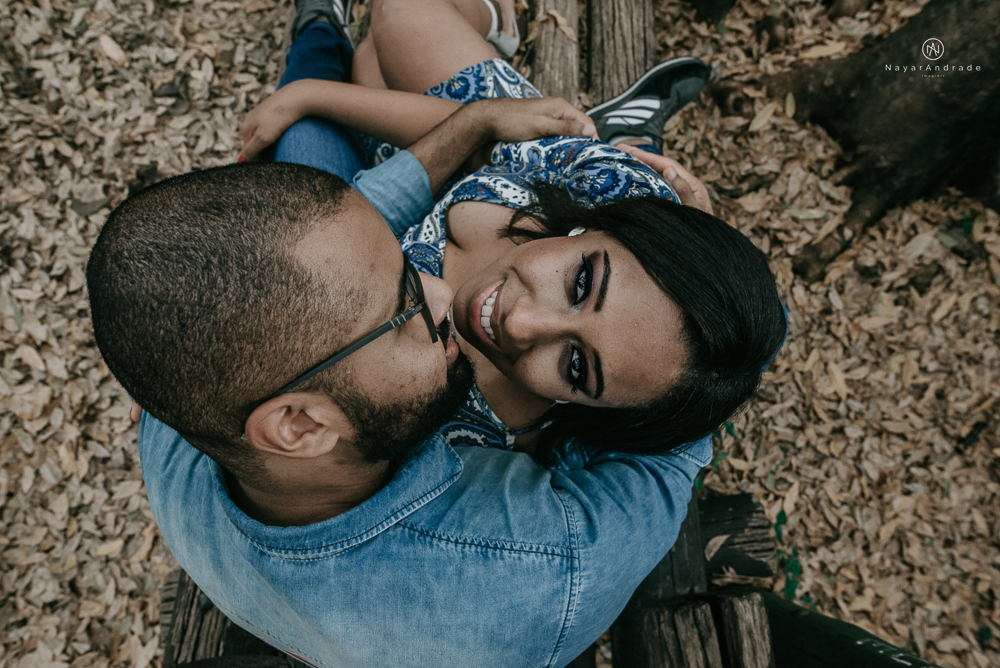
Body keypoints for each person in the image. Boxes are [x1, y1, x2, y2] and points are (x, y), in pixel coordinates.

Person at [85, 5, 716, 667]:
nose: (444, 290)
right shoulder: (534, 576)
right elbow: (681, 427)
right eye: (406, 306)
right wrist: (710, 274)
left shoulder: (186, 406)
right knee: (312, 119)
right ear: (297, 424)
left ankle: (320, 34)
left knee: (314, 125)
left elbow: (347, 236)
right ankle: (319, 30)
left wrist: (474, 123)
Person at [239, 0, 787, 458]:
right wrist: (310, 94)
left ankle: (323, 29)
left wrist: (311, 100)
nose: (521, 322)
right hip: (463, 153)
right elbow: (476, 132)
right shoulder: (618, 193)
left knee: (360, 69)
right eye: (579, 284)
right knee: (398, 11)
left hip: (397, 181)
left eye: (576, 366)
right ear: (599, 227)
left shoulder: (459, 425)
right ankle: (502, 17)